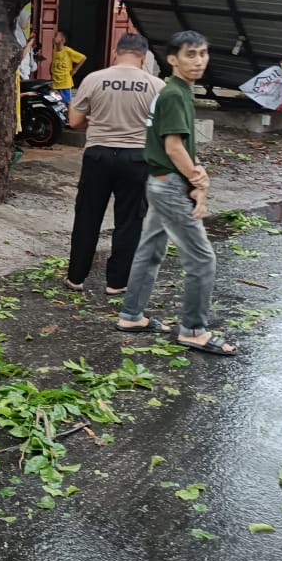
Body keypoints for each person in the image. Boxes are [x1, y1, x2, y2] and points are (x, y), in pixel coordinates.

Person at [115, 30, 235, 356]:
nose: (199, 61)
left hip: (160, 182)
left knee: (151, 249)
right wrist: (198, 181)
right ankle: (193, 330)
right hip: (168, 185)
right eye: (190, 54)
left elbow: (181, 146)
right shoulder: (173, 95)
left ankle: (131, 316)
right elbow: (173, 146)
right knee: (202, 258)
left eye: (203, 54)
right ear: (172, 59)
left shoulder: (177, 91)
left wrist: (198, 171)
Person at [63, 33, 165, 295]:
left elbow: (74, 122)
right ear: (143, 58)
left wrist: (97, 122)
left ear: (115, 53)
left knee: (88, 216)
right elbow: (162, 128)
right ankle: (117, 283)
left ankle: (76, 278)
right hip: (136, 158)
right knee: (129, 221)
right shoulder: (156, 86)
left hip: (98, 155)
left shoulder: (94, 79)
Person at [50, 30, 87, 105]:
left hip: (64, 82)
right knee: (55, 102)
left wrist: (75, 70)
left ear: (62, 40)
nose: (53, 38)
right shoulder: (54, 51)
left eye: (56, 36)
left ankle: (70, 116)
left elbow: (83, 58)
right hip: (55, 82)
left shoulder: (67, 51)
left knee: (67, 102)